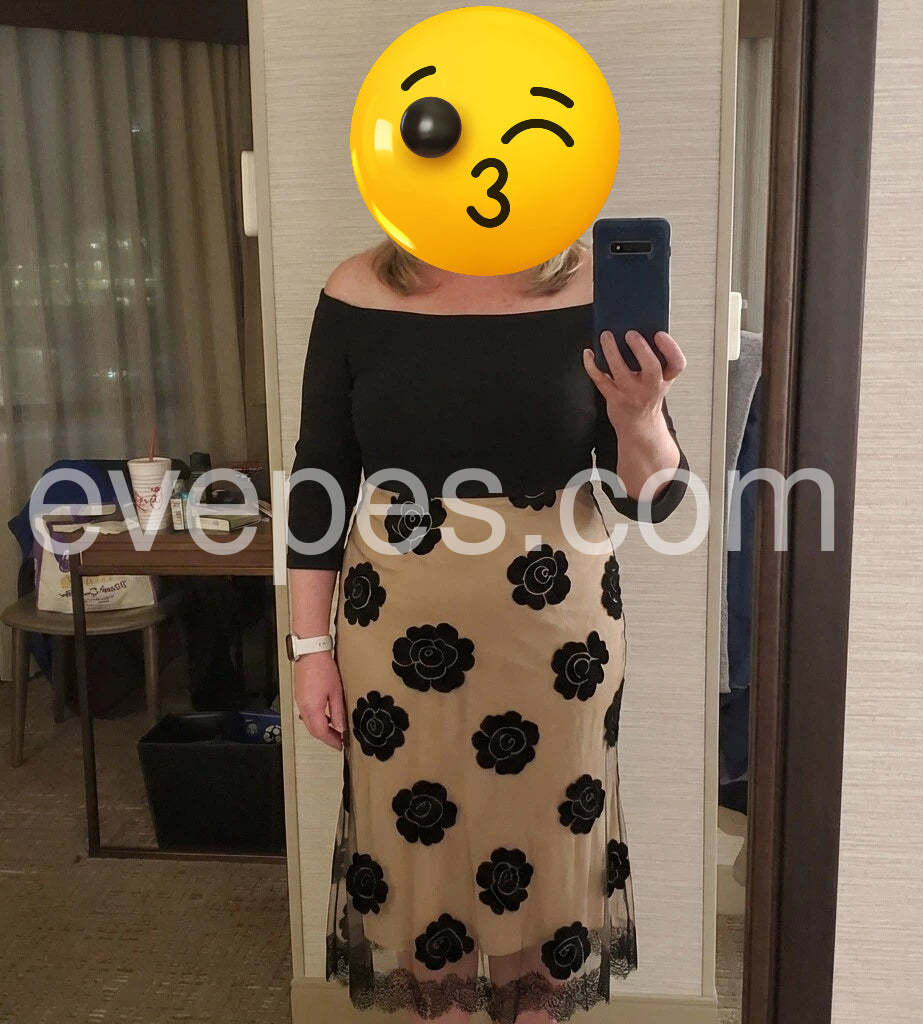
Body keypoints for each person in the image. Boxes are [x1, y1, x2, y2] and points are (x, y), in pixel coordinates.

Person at [285, 237, 689, 1023]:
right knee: (419, 859)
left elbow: (653, 498)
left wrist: (640, 415)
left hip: (559, 646)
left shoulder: (596, 287)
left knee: (545, 855)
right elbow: (321, 472)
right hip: (393, 641)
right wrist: (309, 648)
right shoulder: (357, 288)